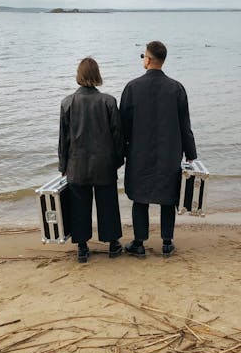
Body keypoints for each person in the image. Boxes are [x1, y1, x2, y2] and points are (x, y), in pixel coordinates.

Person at [120, 41, 197, 257]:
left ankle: (139, 243)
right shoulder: (176, 88)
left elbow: (122, 125)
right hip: (169, 152)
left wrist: (120, 153)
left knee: (140, 198)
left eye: (143, 56)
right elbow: (185, 126)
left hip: (138, 152)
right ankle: (166, 242)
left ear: (148, 59)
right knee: (168, 198)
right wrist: (191, 154)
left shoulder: (132, 88)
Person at [58, 57, 124, 263]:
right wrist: (118, 159)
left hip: (77, 164)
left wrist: (63, 165)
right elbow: (117, 136)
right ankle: (113, 244)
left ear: (79, 76)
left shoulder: (67, 102)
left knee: (79, 206)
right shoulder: (108, 101)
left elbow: (64, 139)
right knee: (108, 204)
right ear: (97, 75)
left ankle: (82, 248)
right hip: (104, 164)